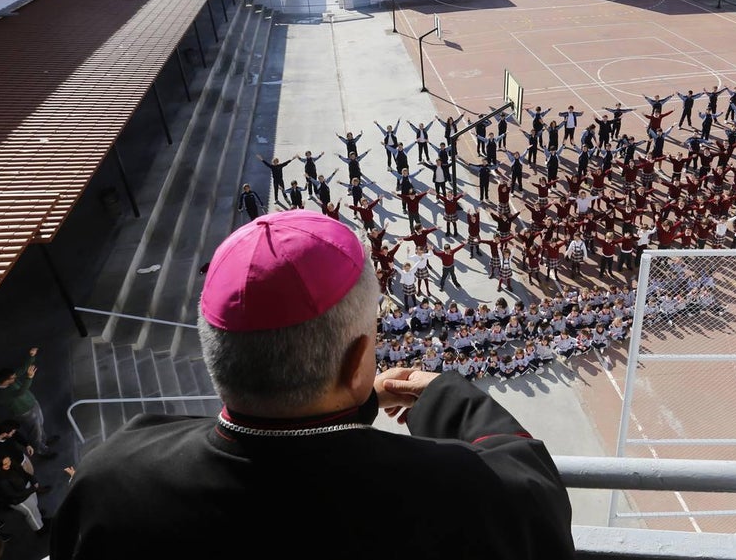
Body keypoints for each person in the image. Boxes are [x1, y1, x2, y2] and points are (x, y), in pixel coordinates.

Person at [51, 212, 575, 559]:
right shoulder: (457, 495)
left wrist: (355, 404)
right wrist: (442, 394)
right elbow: (530, 487)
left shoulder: (109, 481)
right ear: (357, 363)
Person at [0, 347, 57, 458]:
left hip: (32, 403)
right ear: (5, 381)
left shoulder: (9, 380)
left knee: (40, 424)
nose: (14, 379)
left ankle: (44, 440)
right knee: (34, 432)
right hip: (25, 413)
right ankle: (42, 450)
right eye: (12, 378)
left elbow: (22, 369)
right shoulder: (3, 394)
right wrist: (29, 377)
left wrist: (31, 356)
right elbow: (20, 392)